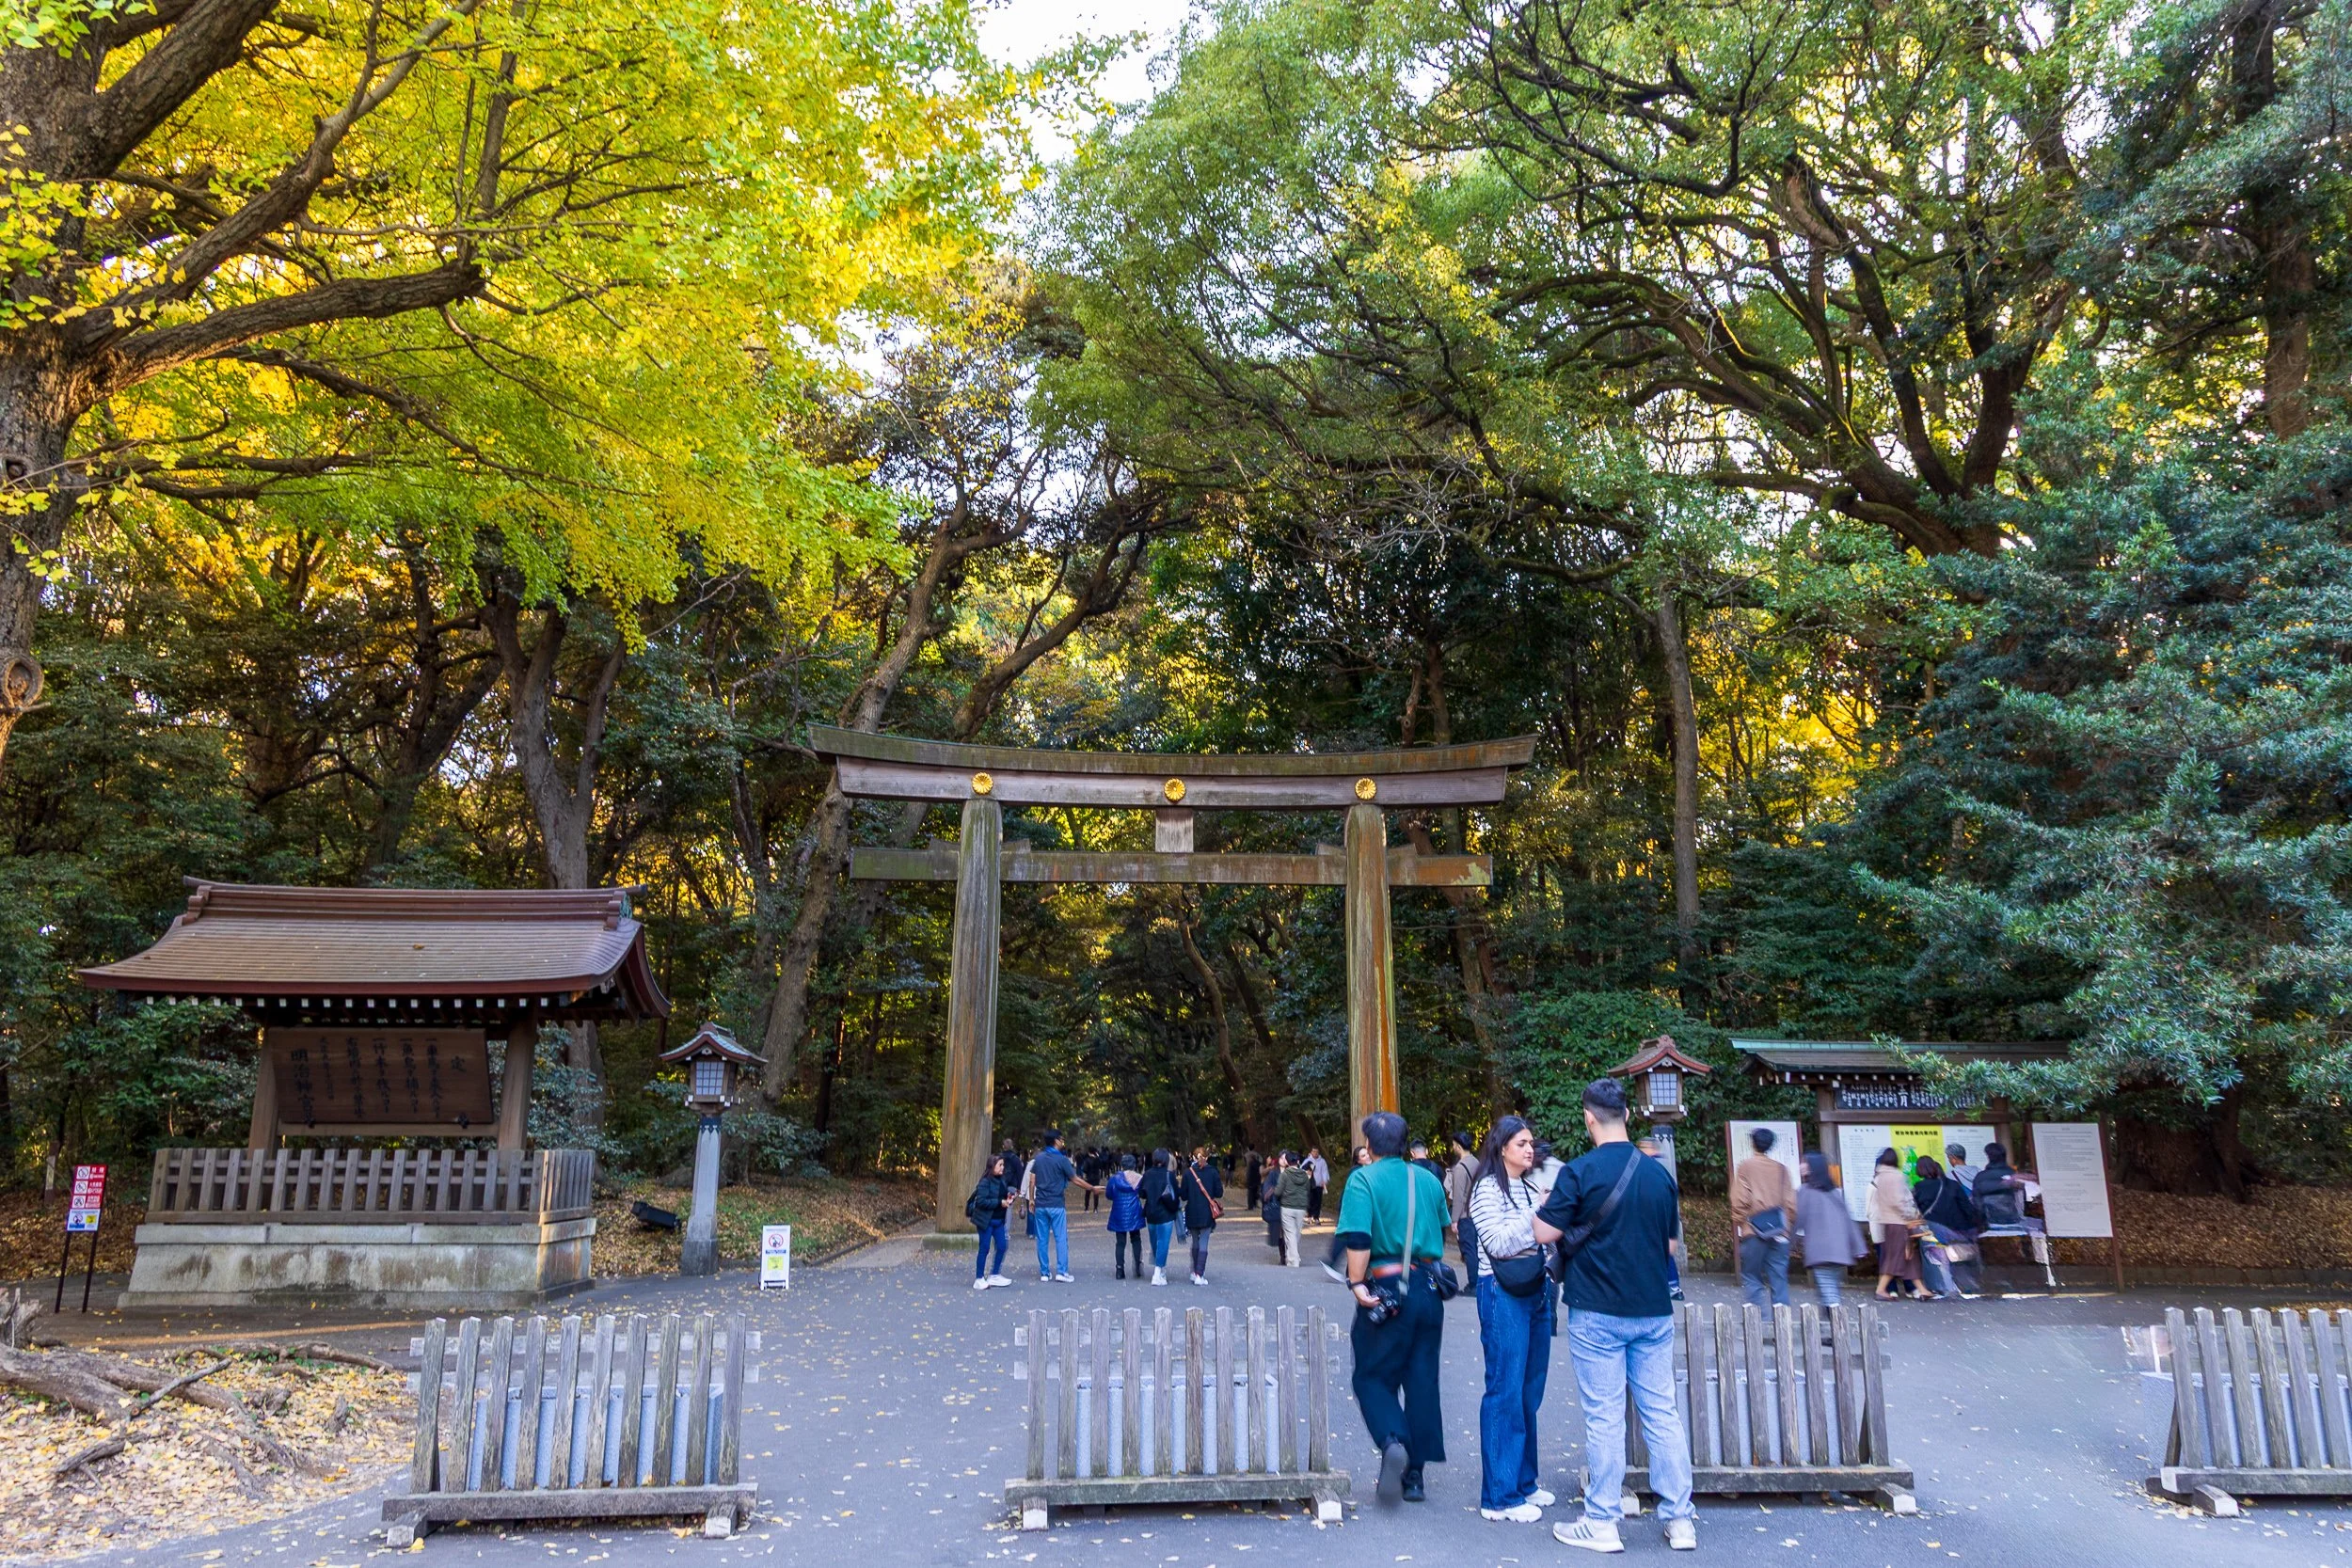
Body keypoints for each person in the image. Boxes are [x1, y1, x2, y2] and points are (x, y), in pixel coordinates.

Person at [1531, 1078, 1696, 1554]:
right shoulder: (1658, 1175)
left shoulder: (1579, 1172)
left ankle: (1602, 1520)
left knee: (1604, 1416)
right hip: (1652, 1311)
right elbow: (1668, 1245)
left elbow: (1544, 1234)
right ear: (1627, 1115)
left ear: (1588, 1118)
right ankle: (1680, 1520)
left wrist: (1545, 1208)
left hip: (1597, 1310)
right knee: (1661, 1413)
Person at [1336, 1111, 1451, 1506]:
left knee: (1371, 1376)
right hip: (1429, 1288)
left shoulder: (1363, 1180)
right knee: (1421, 1379)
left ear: (1369, 1146)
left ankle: (1393, 1442)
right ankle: (1415, 1477)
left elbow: (1359, 1238)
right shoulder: (1428, 1179)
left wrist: (1356, 1282)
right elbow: (1443, 1227)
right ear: (1404, 1145)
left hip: (1385, 1286)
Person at [1468, 1115, 1554, 1523]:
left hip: (1535, 1288)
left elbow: (1544, 1234)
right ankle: (1499, 1497)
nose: (1528, 1149)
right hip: (1500, 1291)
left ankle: (1524, 1483)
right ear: (1501, 1147)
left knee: (1529, 1389)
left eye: (1530, 1143)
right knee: (1504, 1387)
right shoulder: (1487, 1188)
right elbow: (1499, 1242)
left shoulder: (1529, 1184)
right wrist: (1537, 1214)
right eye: (1521, 1143)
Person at [1730, 1126, 1796, 1309]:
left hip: (1754, 1229)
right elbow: (1791, 1203)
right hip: (1779, 1230)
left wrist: (1743, 1221)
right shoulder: (1782, 1170)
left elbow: (1739, 1199)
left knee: (1752, 1277)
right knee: (1779, 1277)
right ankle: (1782, 1328)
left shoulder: (1746, 1167)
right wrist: (1785, 1223)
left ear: (1753, 1144)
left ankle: (1758, 1325)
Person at [1793, 1150, 1864, 1306]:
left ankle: (1837, 1322)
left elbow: (1797, 1220)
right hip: (1839, 1249)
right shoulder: (1834, 1191)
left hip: (1821, 1249)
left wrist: (1787, 1242)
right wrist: (1858, 1247)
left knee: (1828, 1289)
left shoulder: (1805, 1191)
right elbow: (1848, 1220)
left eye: (1804, 1162)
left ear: (1812, 1167)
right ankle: (1830, 1321)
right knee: (1829, 1287)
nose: (1801, 1165)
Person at [1911, 1155, 1982, 1298]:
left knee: (1932, 1253)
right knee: (1961, 1257)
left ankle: (1942, 1288)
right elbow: (1967, 1208)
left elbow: (1915, 1211)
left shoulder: (1919, 1188)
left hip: (1935, 1230)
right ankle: (1967, 1285)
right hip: (1958, 1230)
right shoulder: (1953, 1185)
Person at [1028, 1131, 1091, 1282]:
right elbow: (1075, 1179)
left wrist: (1031, 1199)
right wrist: (1092, 1188)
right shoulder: (1062, 1159)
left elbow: (1032, 1180)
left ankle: (1044, 1273)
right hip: (1056, 1204)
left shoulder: (1039, 1158)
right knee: (1060, 1238)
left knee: (1042, 1239)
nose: (1063, 1142)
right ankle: (1061, 1272)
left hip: (1041, 1204)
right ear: (1056, 1141)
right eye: (1062, 1139)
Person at [1867, 1148, 1927, 1300]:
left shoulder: (1879, 1178)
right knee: (1896, 1257)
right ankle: (1881, 1290)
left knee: (1908, 1257)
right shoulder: (1897, 1176)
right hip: (1899, 1222)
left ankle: (1921, 1289)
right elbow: (1899, 1201)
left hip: (1888, 1222)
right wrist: (1911, 1215)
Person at [966, 1152, 1014, 1290]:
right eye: (1000, 1165)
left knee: (1002, 1246)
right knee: (985, 1248)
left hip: (999, 1220)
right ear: (992, 1166)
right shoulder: (985, 1182)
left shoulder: (1002, 1180)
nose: (1002, 1167)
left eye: (1003, 1165)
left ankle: (994, 1274)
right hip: (985, 1221)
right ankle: (979, 1278)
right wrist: (1000, 1202)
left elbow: (1002, 1196)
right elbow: (981, 1201)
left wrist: (1009, 1198)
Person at [1177, 1147, 1224, 1284]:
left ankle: (1193, 1271)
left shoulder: (1187, 1173)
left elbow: (1183, 1195)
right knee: (1204, 1242)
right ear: (1207, 1157)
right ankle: (1199, 1274)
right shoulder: (1213, 1172)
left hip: (1192, 1211)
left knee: (1195, 1242)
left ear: (1193, 1157)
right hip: (1207, 1213)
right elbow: (1219, 1193)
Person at [1972, 1143, 2042, 1231]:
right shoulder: (2016, 1176)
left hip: (1990, 1223)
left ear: (1989, 1157)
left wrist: (1980, 1224)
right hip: (2015, 1221)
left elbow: (1977, 1204)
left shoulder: (1980, 1177)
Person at [1139, 1148, 1183, 1285]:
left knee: (1155, 1242)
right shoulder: (1169, 1175)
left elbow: (1142, 1194)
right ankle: (1157, 1273)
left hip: (1151, 1213)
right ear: (1166, 1160)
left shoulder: (1147, 1174)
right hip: (1166, 1213)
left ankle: (1161, 1270)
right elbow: (1177, 1193)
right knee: (1163, 1242)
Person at [1444, 1130, 1482, 1264]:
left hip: (1465, 1215)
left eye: (1454, 1145)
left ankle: (1472, 1283)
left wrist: (1454, 1220)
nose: (1453, 1148)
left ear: (1459, 1147)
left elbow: (1458, 1196)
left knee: (1468, 1250)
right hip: (1477, 1212)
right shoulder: (1476, 1162)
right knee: (1476, 1249)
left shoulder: (1460, 1168)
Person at [1107, 1153, 1147, 1279]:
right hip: (1134, 1211)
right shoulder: (1139, 1178)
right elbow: (1143, 1193)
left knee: (1120, 1242)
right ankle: (1137, 1266)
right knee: (1136, 1239)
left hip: (1119, 1211)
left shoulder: (1114, 1179)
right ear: (1134, 1165)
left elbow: (1109, 1195)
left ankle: (1120, 1269)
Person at [1277, 1148, 1313, 1265]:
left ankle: (1294, 1259)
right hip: (1301, 1207)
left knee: (1289, 1233)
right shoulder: (1304, 1175)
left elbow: (1278, 1191)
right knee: (1297, 1232)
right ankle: (1292, 1256)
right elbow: (1308, 1190)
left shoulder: (1285, 1175)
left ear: (1287, 1162)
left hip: (1287, 1206)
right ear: (1297, 1161)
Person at [1261, 1153, 1286, 1249]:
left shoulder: (1293, 1171)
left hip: (1289, 1205)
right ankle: (1283, 1254)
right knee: (1278, 1231)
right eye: (1282, 1158)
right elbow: (1267, 1187)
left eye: (1285, 1158)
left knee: (1289, 1232)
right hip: (1277, 1205)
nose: (1284, 1160)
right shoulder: (1273, 1173)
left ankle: (1289, 1253)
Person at [1305, 1147, 1330, 1223]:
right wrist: (1307, 1172)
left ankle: (1316, 1217)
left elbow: (1324, 1171)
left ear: (1318, 1153)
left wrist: (1325, 1180)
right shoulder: (1308, 1160)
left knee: (1318, 1201)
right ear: (1311, 1152)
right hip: (1310, 1183)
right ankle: (1309, 1216)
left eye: (1316, 1152)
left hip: (1319, 1184)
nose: (1315, 1153)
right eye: (1314, 1151)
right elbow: (1302, 1169)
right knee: (1310, 1200)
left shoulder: (1322, 1162)